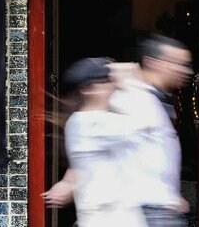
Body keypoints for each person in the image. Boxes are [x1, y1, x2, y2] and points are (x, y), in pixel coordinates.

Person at [43, 57, 146, 227]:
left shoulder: (77, 121)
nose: (112, 86)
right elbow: (143, 125)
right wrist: (132, 83)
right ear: (87, 90)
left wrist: (67, 184)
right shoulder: (93, 123)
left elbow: (79, 168)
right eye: (105, 82)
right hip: (110, 217)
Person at [111, 35, 193, 227]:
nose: (185, 71)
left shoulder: (159, 100)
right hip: (141, 212)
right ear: (151, 62)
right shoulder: (128, 99)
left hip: (160, 210)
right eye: (176, 63)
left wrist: (171, 195)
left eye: (185, 64)